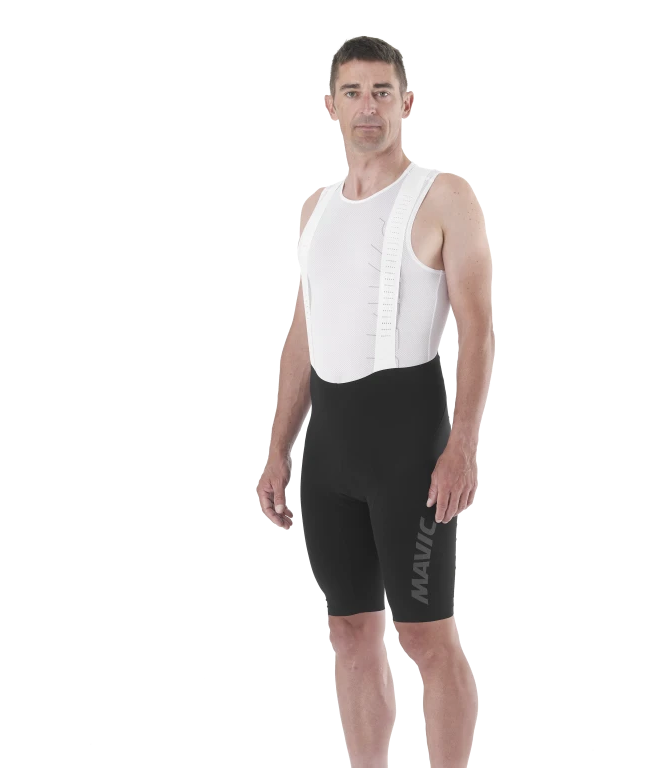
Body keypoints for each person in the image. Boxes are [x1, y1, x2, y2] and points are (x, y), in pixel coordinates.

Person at [257, 35, 495, 768]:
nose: (368, 107)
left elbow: (478, 327)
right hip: (329, 451)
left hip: (408, 446)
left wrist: (463, 444)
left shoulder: (444, 196)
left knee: (427, 637)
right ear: (329, 106)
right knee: (350, 633)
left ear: (407, 103)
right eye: (353, 93)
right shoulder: (317, 208)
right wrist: (276, 449)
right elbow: (305, 332)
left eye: (382, 92)